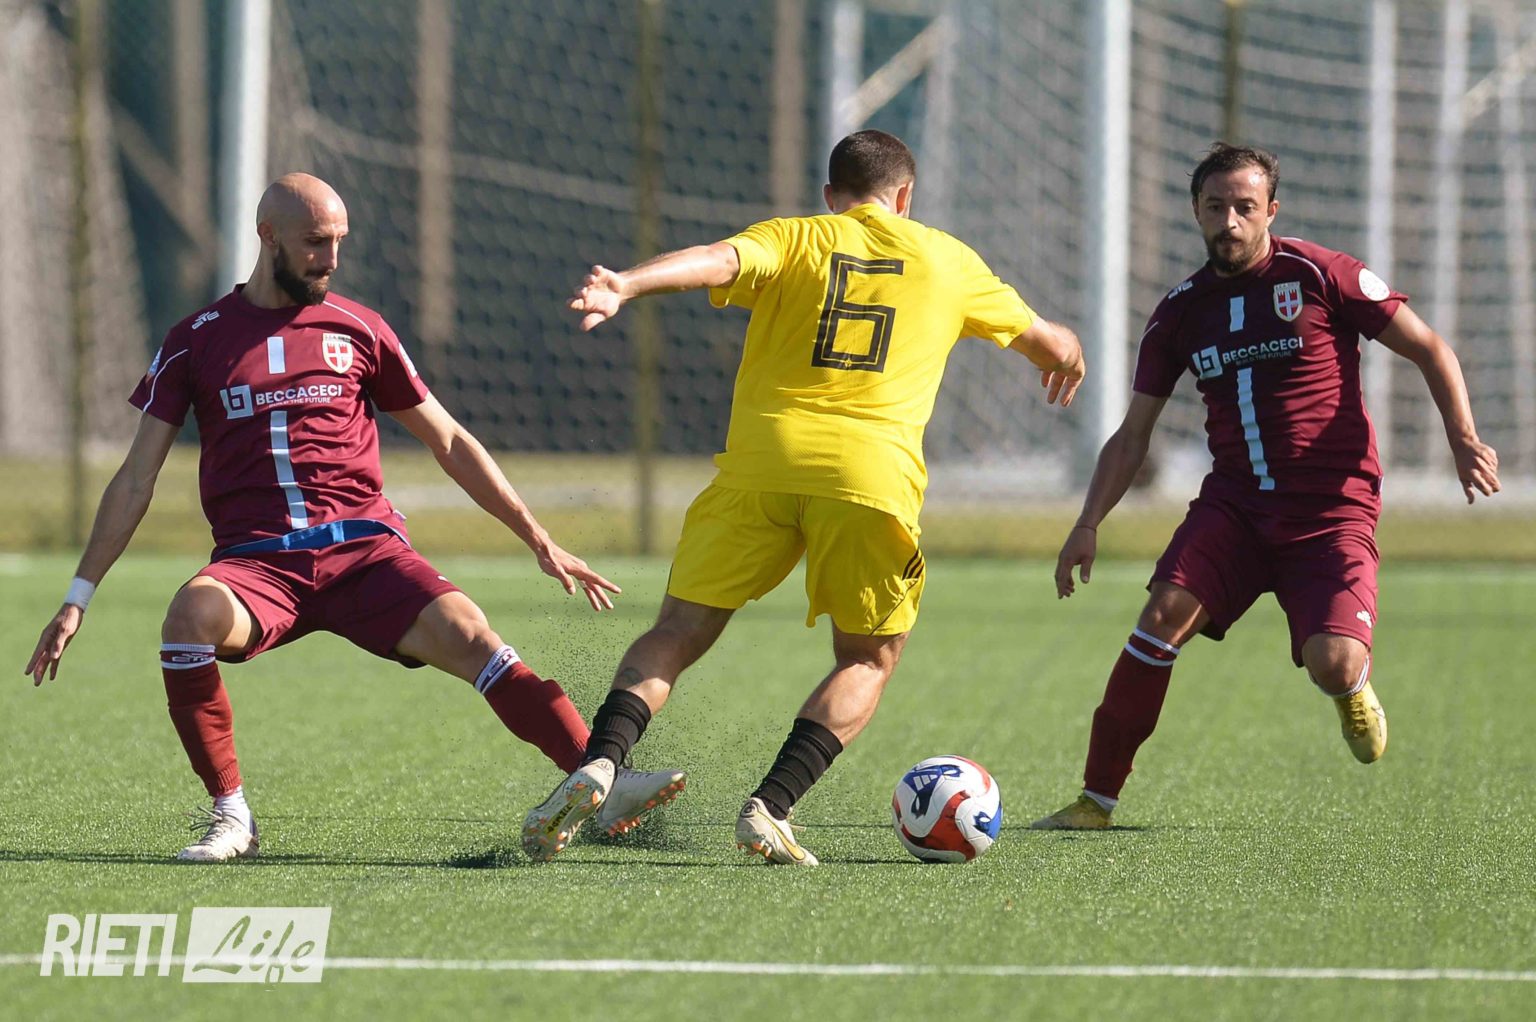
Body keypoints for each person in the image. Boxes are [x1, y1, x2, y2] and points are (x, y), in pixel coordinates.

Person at [23, 173, 685, 862]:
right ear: (268, 236)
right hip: (259, 566)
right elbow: (136, 478)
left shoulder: (359, 328)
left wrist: (538, 538)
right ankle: (231, 817)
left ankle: (603, 782)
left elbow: (449, 440)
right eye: (315, 241)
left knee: (472, 634)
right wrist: (78, 597)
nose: (331, 258)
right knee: (188, 617)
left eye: (339, 241)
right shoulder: (196, 340)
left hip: (366, 554)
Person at [521, 129, 1085, 865]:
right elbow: (1049, 343)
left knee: (679, 629)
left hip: (761, 465)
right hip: (868, 479)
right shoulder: (949, 259)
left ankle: (601, 761)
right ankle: (771, 806)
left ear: (830, 195)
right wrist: (1069, 353)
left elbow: (717, 260)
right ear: (905, 197)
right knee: (868, 658)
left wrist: (625, 284)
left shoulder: (796, 237)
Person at [1033, 143, 1501, 830]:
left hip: (1331, 511)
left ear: (1271, 210)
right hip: (1235, 508)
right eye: (1216, 207)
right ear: (1197, 212)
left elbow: (1431, 348)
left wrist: (1463, 438)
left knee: (1333, 663)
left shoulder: (1321, 274)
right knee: (1160, 618)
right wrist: (1087, 523)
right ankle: (1095, 801)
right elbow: (1133, 435)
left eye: (1245, 207)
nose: (1231, 221)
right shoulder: (1178, 313)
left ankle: (1350, 686)